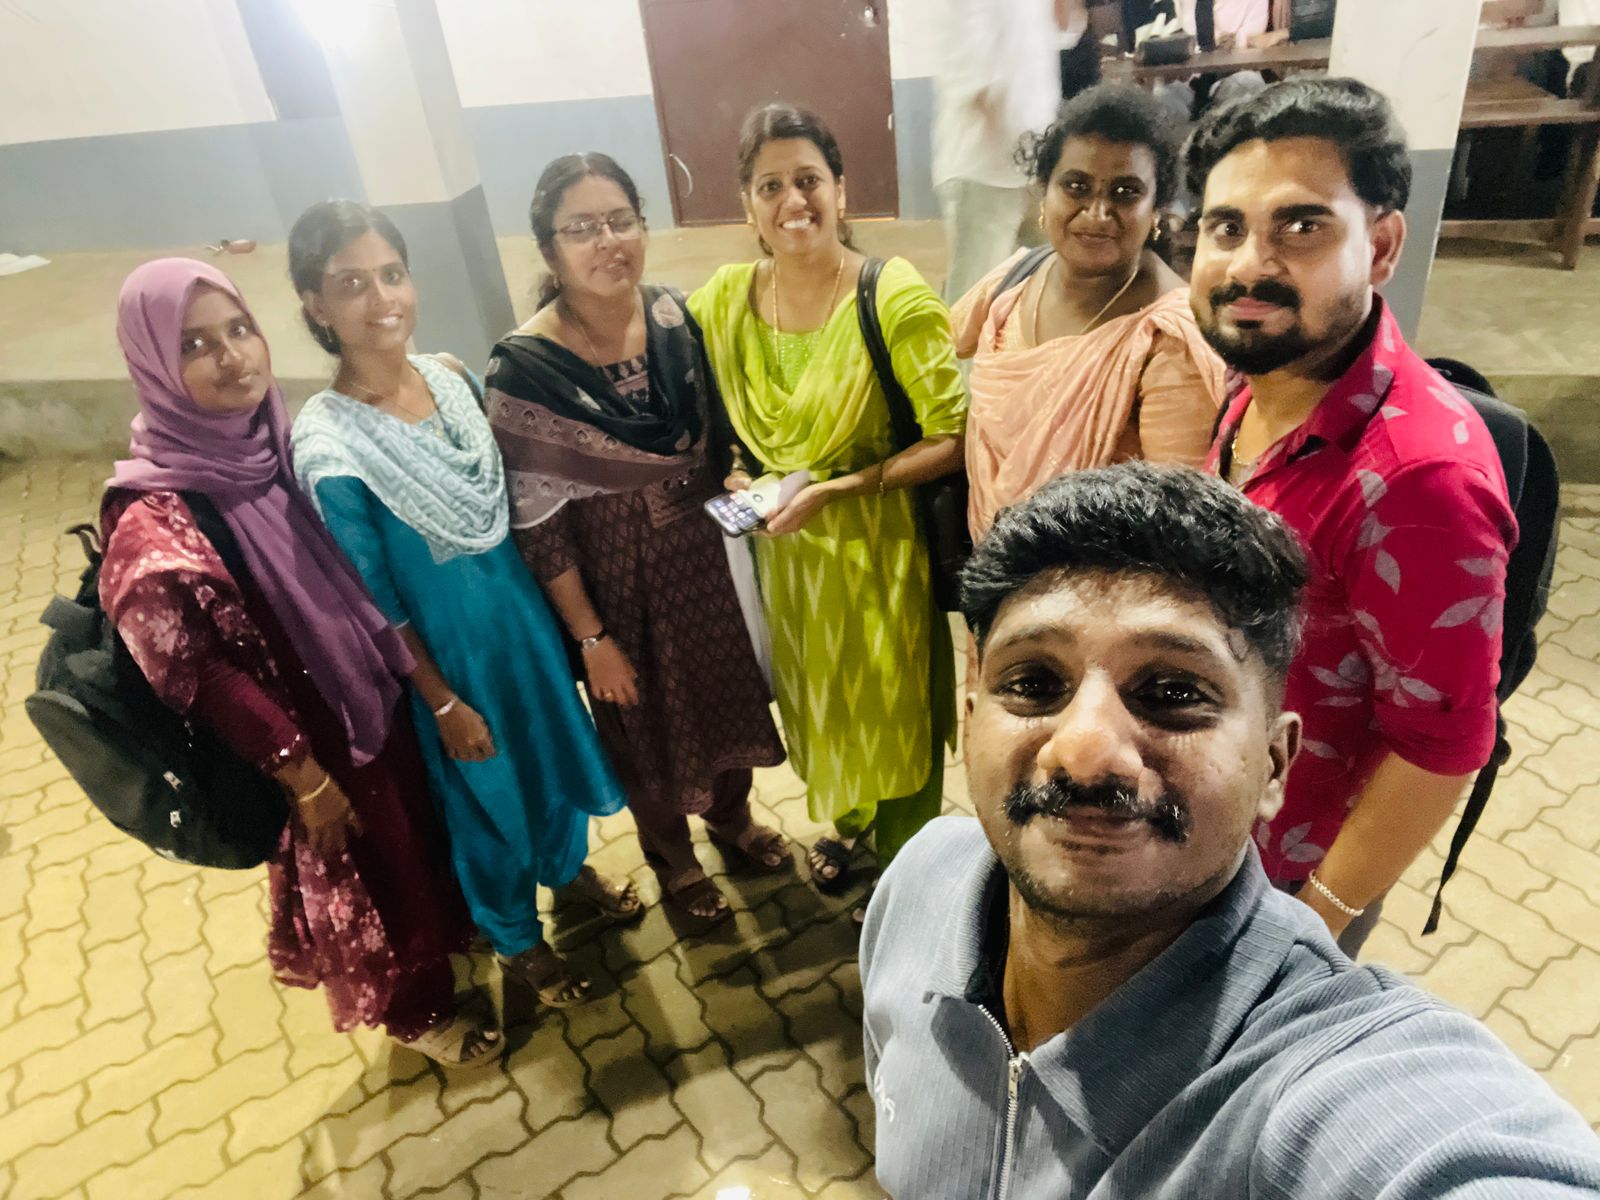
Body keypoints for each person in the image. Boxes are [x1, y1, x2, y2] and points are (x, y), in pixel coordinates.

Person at [860, 462, 1600, 1198]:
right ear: (970, 725)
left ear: (1274, 765)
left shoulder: (1320, 1077)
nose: (1083, 751)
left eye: (1173, 692)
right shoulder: (920, 882)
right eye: (1032, 684)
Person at [101, 258, 497, 1066]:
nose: (232, 357)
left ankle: (451, 940)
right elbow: (194, 670)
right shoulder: (153, 515)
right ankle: (418, 1013)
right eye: (194, 345)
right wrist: (301, 772)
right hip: (306, 739)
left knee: (417, 836)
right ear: (153, 365)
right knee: (376, 870)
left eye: (239, 330)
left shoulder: (272, 445)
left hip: (370, 693)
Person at [1186, 78, 1517, 957]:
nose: (1249, 265)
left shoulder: (1419, 482)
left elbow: (1442, 747)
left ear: (1381, 246)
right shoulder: (1267, 371)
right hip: (1219, 817)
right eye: (1226, 228)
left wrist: (1313, 927)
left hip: (1288, 876)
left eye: (1301, 226)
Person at [286, 201, 635, 1008]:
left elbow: (515, 508)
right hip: (452, 664)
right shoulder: (334, 449)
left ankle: (566, 873)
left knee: (549, 765)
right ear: (315, 306)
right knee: (487, 800)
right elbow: (375, 604)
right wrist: (441, 701)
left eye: (392, 274)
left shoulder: (451, 378)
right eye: (351, 284)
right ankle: (517, 941)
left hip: (523, 633)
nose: (382, 299)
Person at [484, 153, 788, 927]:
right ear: (550, 250)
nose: (608, 241)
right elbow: (539, 528)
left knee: (726, 700)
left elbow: (720, 437)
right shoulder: (526, 372)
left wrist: (743, 481)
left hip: (707, 565)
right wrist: (592, 639)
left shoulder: (674, 319)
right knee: (644, 730)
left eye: (621, 221)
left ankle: (733, 822)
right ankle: (674, 862)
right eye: (582, 228)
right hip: (616, 592)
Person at [689, 104, 968, 903]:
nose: (793, 201)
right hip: (787, 563)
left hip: (879, 552)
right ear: (748, 205)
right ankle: (852, 824)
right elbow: (703, 412)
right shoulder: (724, 302)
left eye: (808, 180)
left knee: (893, 710)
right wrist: (735, 472)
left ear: (841, 190)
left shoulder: (892, 296)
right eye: (770, 186)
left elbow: (951, 436)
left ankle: (908, 871)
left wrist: (840, 489)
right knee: (822, 708)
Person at [951, 82, 1225, 543]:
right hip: (992, 562)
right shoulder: (1012, 282)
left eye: (1125, 192)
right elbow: (935, 348)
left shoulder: (1167, 339)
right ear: (1044, 193)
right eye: (1076, 186)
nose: (1097, 212)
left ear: (1156, 210)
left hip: (1096, 581)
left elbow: (1174, 527)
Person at [929, 0, 1062, 303]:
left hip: (1035, 167)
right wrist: (1033, 155)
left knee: (1048, 293)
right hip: (983, 173)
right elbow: (978, 86)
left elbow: (1064, 32)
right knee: (974, 302)